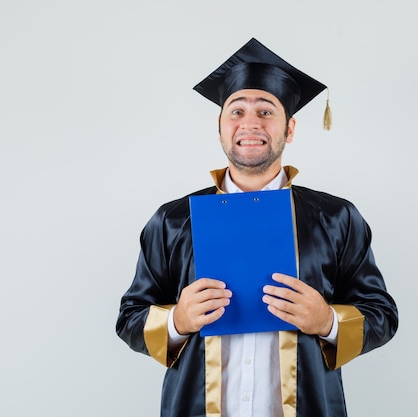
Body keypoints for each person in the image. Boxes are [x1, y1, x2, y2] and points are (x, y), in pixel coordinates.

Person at [116, 37, 398, 417]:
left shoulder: (336, 218)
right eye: (236, 111)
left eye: (266, 111)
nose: (250, 123)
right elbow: (131, 316)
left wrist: (328, 321)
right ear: (220, 127)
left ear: (290, 128)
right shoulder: (173, 220)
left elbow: (381, 314)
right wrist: (177, 321)